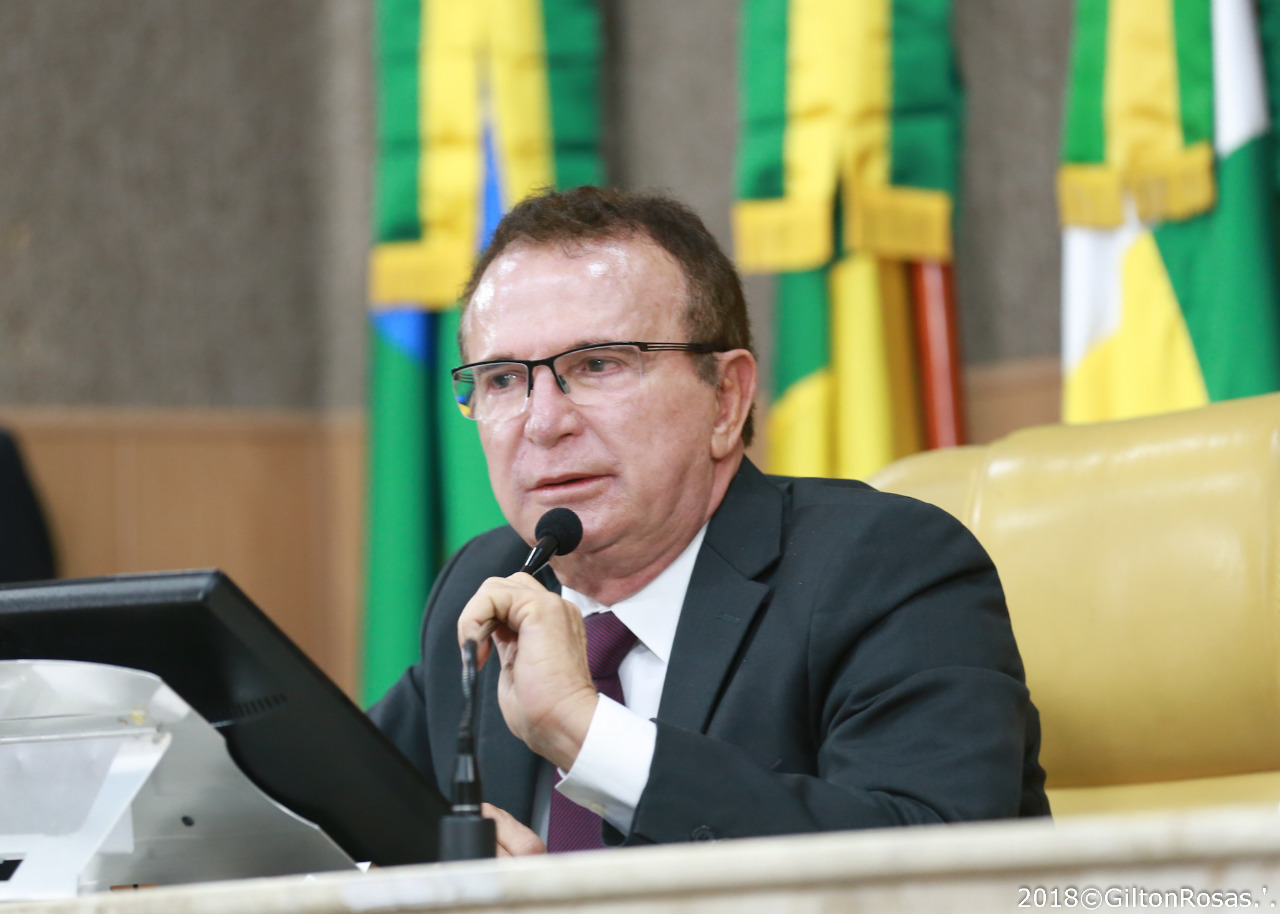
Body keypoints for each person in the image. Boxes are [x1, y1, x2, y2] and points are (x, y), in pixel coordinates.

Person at [369, 186, 1049, 856]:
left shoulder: (886, 567)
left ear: (725, 400)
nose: (543, 423)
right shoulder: (489, 587)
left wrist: (588, 734)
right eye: (502, 380)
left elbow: (939, 865)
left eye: (598, 364)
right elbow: (336, 808)